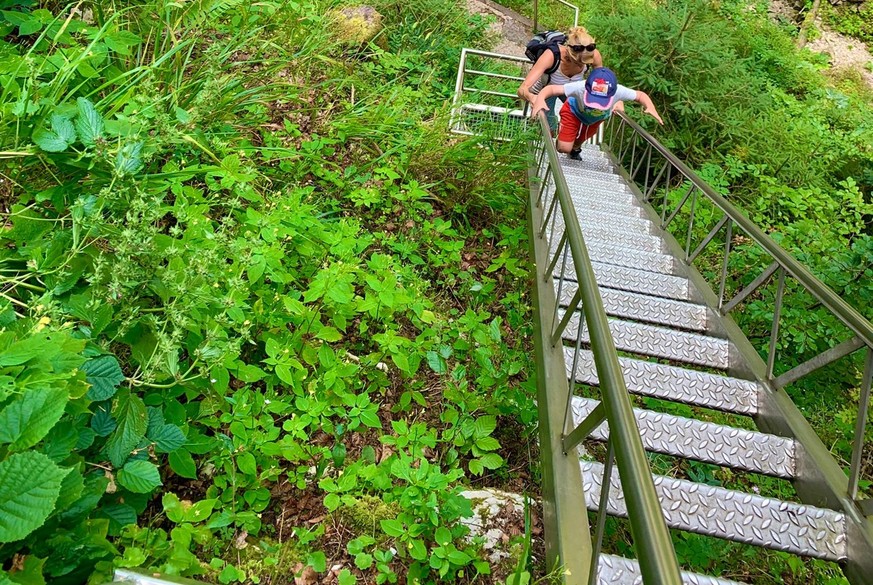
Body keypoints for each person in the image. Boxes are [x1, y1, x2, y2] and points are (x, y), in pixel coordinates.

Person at [530, 67, 664, 159]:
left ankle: (575, 147)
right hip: (573, 112)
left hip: (595, 119)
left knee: (580, 141)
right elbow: (552, 89)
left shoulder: (619, 91)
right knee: (563, 148)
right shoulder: (579, 87)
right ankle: (565, 138)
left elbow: (640, 95)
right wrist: (540, 100)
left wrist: (650, 107)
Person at [517, 27, 603, 128]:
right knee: (548, 124)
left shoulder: (593, 54)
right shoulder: (551, 56)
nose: (581, 66)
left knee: (581, 114)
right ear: (569, 53)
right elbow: (522, 89)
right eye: (577, 62)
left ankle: (570, 140)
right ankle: (548, 132)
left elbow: (601, 83)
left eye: (585, 63)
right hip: (545, 89)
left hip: (569, 89)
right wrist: (532, 98)